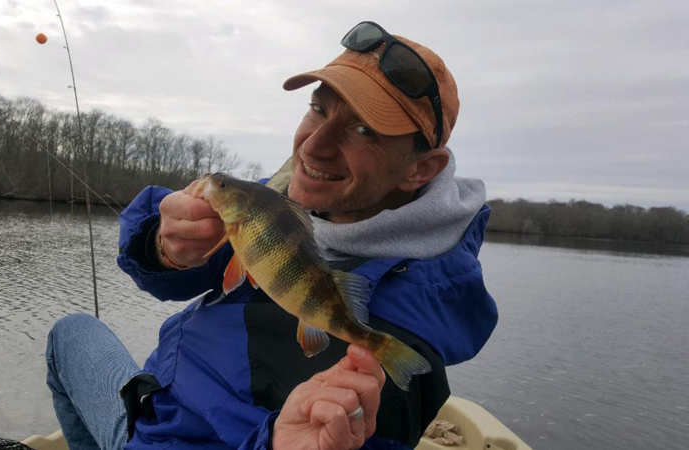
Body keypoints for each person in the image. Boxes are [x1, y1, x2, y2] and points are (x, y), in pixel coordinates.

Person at [46, 21, 497, 450]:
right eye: (319, 108)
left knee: (68, 339)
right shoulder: (296, 205)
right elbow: (182, 276)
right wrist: (163, 247)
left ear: (422, 169)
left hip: (171, 438)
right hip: (159, 402)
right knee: (72, 331)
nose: (313, 144)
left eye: (364, 131)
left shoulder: (404, 324)